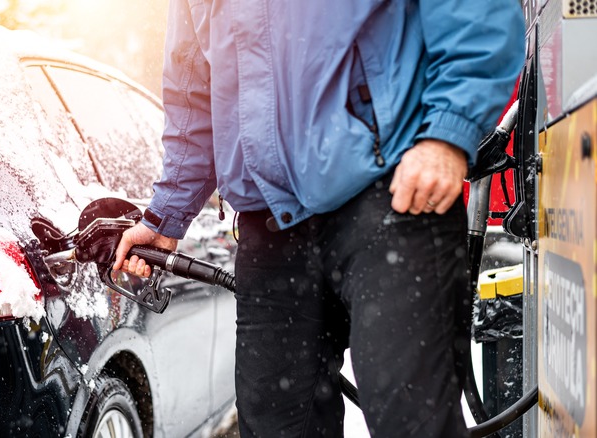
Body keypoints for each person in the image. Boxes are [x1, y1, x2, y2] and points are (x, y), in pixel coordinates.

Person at [113, 1, 525, 436]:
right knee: (278, 427)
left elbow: (474, 10)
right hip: (270, 227)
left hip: (394, 199)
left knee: (411, 421)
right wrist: (165, 216)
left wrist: (447, 132)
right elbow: (192, 92)